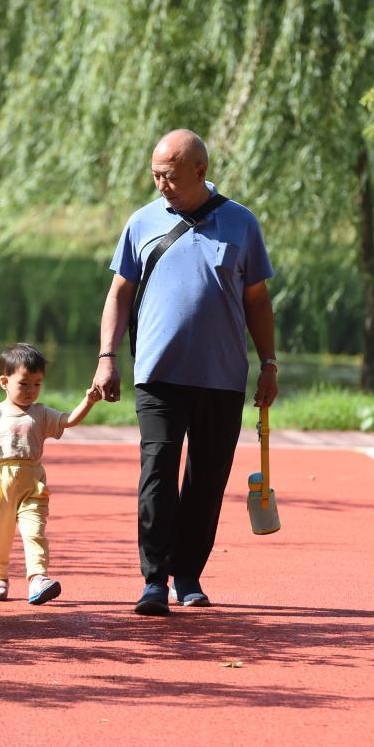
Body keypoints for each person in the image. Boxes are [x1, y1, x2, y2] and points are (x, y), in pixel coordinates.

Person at [93, 129, 278, 616]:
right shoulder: (142, 222)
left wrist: (269, 364)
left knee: (207, 479)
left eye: (170, 176)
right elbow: (119, 292)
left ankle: (188, 574)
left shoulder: (241, 223)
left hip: (222, 376)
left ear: (200, 170)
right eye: (155, 175)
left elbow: (258, 301)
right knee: (157, 469)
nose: (161, 185)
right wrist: (107, 357)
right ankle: (154, 580)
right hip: (158, 373)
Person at [0, 342, 101, 604]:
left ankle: (38, 578)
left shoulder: (41, 413)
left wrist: (88, 401)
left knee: (34, 532)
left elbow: (69, 420)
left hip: (32, 484)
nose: (31, 390)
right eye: (24, 384)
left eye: (37, 384)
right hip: (0, 483)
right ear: (4, 382)